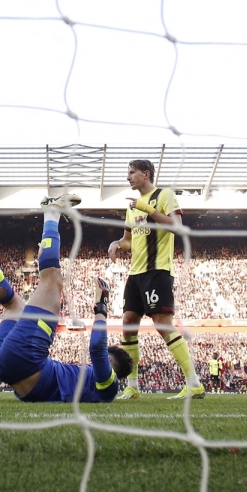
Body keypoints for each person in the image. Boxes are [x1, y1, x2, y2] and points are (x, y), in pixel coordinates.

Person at [0, 199, 133, 404]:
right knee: (14, 305)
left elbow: (97, 349)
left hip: (25, 359)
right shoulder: (95, 389)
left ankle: (52, 213)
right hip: (3, 364)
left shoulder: (109, 385)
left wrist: (101, 306)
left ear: (109, 363)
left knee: (53, 279)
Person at [107, 159, 204, 400]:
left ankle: (194, 384)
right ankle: (132, 386)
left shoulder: (164, 195)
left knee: (162, 324)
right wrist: (118, 243)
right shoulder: (132, 207)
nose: (128, 177)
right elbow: (129, 239)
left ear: (145, 174)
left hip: (157, 270)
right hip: (136, 274)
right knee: (128, 324)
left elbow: (178, 228)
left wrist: (148, 209)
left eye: (132, 173)